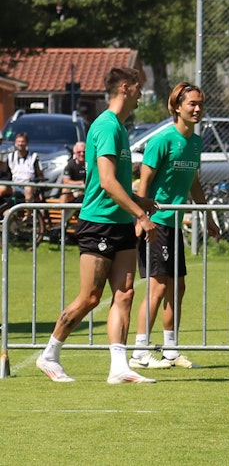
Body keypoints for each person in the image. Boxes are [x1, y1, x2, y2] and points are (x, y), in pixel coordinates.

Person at [35, 67, 159, 384]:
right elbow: (104, 182)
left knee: (125, 293)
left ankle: (119, 368)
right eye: (140, 88)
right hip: (98, 224)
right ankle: (49, 355)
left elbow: (114, 182)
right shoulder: (106, 126)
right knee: (91, 297)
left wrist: (136, 201)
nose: (142, 94)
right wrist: (141, 216)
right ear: (126, 88)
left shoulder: (119, 127)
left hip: (118, 222)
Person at [129, 82, 219, 371]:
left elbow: (193, 183)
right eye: (192, 103)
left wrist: (208, 217)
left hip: (175, 225)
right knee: (156, 288)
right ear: (176, 107)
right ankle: (140, 351)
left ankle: (170, 349)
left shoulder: (195, 142)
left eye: (200, 104)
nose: (197, 109)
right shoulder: (162, 140)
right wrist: (143, 218)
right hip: (157, 224)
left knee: (177, 288)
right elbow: (143, 181)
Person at [8, 132, 44, 202]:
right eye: (18, 142)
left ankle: (29, 212)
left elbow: (40, 175)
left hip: (29, 185)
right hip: (14, 185)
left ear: (27, 143)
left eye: (23, 142)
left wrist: (39, 189)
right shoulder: (10, 157)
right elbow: (6, 175)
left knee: (28, 189)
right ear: (15, 143)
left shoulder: (33, 157)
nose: (20, 144)